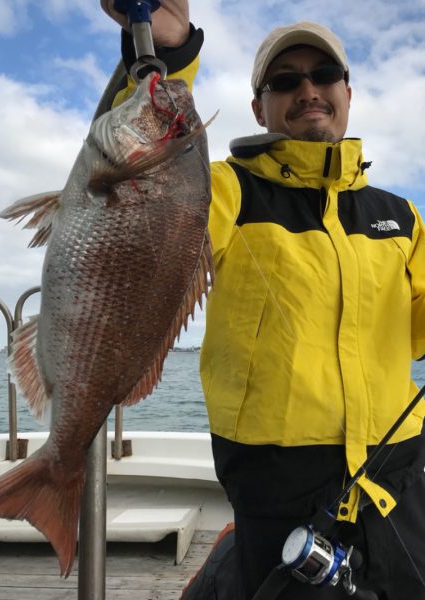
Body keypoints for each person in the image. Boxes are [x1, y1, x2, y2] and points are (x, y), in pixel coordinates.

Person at [100, 2, 425, 599]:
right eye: (285, 81)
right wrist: (164, 53)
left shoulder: (400, 216)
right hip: (279, 485)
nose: (308, 90)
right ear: (259, 107)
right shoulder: (221, 190)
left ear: (347, 92)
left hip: (398, 475)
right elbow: (135, 175)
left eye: (323, 74)